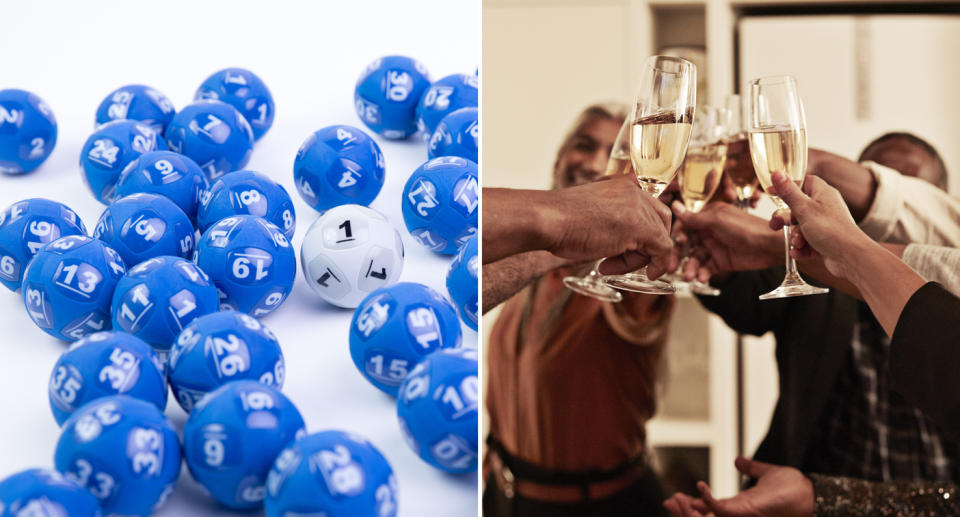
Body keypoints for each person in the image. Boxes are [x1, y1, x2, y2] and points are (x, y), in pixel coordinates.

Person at [670, 134, 960, 489]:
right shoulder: (808, 270)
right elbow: (742, 297)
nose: (884, 220)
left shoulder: (947, 306)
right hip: (811, 495)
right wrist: (701, 229)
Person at [483, 104, 674, 517]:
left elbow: (642, 309)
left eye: (614, 152)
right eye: (583, 145)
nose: (594, 162)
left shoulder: (624, 275)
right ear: (558, 158)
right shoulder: (527, 263)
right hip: (505, 499)